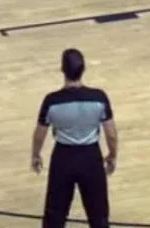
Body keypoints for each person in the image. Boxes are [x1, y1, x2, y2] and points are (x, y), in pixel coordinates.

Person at [31, 48, 119, 228]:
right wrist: (112, 155)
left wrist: (36, 154)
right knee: (98, 214)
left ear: (62, 70)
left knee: (55, 214)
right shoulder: (99, 98)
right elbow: (111, 134)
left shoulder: (51, 101)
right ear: (83, 69)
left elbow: (40, 134)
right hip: (91, 157)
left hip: (63, 158)